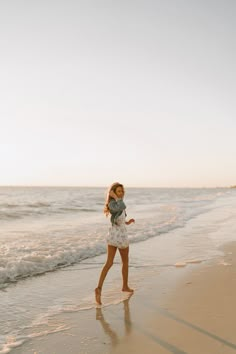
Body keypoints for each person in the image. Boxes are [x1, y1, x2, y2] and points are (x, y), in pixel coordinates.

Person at [95, 182, 135, 305]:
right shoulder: (113, 203)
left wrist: (128, 222)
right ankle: (124, 286)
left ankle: (100, 288)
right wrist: (114, 196)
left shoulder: (116, 204)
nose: (121, 193)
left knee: (109, 263)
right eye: (118, 191)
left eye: (122, 191)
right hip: (120, 236)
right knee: (124, 262)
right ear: (113, 193)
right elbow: (122, 205)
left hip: (114, 235)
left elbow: (119, 219)